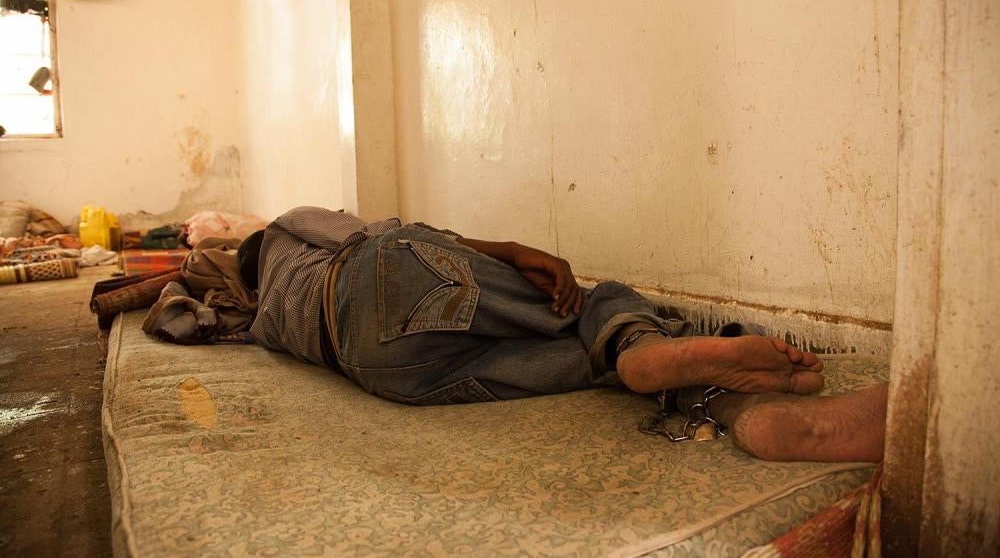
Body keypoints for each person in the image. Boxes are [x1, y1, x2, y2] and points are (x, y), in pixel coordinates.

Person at [238, 206, 887, 462]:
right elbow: (377, 236)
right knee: (595, 306)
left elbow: (176, 310)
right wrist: (510, 248)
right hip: (380, 276)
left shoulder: (266, 322)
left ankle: (746, 411)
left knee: (587, 361)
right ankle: (645, 343)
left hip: (379, 371)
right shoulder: (286, 227)